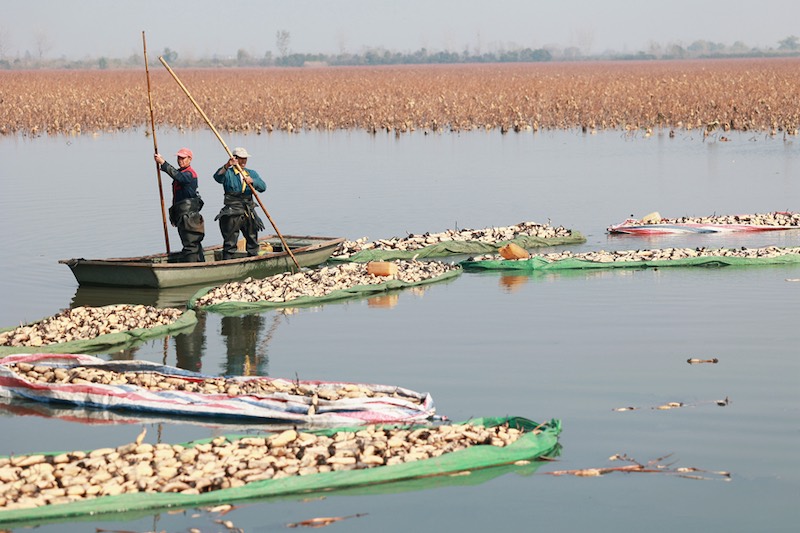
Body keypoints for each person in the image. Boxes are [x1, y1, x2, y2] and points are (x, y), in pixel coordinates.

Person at [213, 147, 267, 259]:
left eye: (245, 159)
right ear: (235, 159)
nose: (243, 162)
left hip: (248, 210)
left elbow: (263, 187)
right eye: (240, 159)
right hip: (232, 211)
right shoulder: (228, 173)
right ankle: (228, 262)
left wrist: (253, 181)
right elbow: (217, 177)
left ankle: (253, 260)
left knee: (252, 239)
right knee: (230, 241)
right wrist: (227, 165)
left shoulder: (251, 173)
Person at [154, 147, 205, 262]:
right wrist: (174, 215)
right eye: (179, 158)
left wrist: (163, 163)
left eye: (183, 158)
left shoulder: (189, 174)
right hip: (182, 213)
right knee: (190, 242)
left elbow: (179, 177)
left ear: (190, 159)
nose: (180, 160)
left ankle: (194, 268)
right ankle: (199, 264)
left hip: (189, 215)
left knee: (191, 244)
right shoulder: (182, 172)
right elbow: (176, 178)